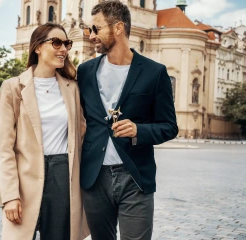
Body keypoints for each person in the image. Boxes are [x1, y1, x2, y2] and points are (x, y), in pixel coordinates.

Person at [77, 1, 178, 240]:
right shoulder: (85, 72)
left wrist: (138, 130)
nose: (91, 36)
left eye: (97, 28)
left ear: (118, 28)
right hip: (94, 177)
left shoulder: (155, 72)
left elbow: (170, 127)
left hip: (135, 176)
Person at [0, 23, 87, 240]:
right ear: (37, 47)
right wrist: (10, 195)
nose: (63, 49)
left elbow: (82, 134)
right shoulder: (13, 88)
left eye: (66, 43)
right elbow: (6, 148)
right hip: (24, 178)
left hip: (63, 177)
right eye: (56, 42)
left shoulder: (72, 88)